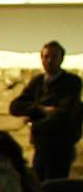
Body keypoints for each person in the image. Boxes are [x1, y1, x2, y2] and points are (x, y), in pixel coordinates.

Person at [9, 40, 82, 182]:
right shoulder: (38, 82)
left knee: (55, 185)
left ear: (61, 58)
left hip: (61, 145)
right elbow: (16, 106)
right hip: (40, 144)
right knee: (38, 183)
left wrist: (33, 122)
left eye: (53, 57)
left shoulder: (71, 82)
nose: (49, 61)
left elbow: (62, 113)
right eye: (45, 57)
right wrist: (41, 109)